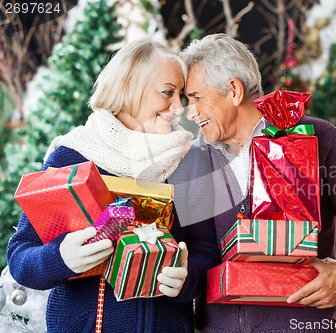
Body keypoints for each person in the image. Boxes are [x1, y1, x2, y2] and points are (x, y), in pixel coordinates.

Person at [179, 33, 336, 333]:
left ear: (233, 90)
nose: (191, 113)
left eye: (196, 98)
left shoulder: (314, 137)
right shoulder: (195, 162)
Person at [7, 38, 219, 333]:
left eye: (182, 95)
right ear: (130, 85)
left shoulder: (190, 161)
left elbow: (206, 248)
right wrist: (61, 258)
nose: (179, 108)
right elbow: (21, 257)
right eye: (168, 92)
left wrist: (188, 277)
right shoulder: (72, 156)